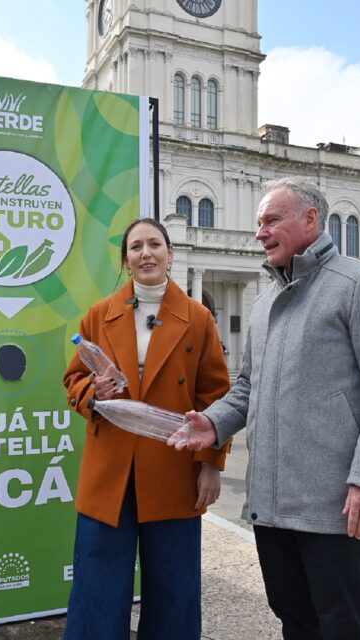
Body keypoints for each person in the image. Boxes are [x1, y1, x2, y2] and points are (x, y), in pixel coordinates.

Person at [174, 177, 360, 640]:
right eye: (258, 223)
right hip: (271, 504)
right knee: (295, 621)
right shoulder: (263, 303)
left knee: (344, 626)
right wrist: (213, 422)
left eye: (270, 220)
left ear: (310, 219)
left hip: (333, 504)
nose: (260, 232)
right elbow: (248, 386)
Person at [63, 218, 231, 639]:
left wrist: (211, 463)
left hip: (174, 469)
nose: (146, 253)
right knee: (97, 587)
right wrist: (93, 390)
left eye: (155, 244)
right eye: (136, 247)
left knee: (174, 588)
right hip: (110, 473)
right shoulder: (99, 315)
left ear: (170, 254)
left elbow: (217, 396)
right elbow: (73, 381)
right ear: (126, 259)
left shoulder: (198, 317)